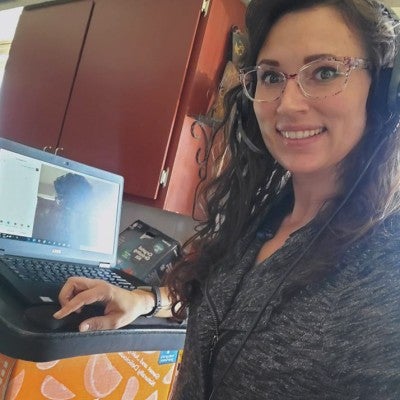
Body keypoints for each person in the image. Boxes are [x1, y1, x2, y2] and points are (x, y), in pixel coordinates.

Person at [54, 0, 400, 398]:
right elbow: (223, 306)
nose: (287, 104)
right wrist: (142, 300)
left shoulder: (387, 265)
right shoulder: (262, 219)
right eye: (271, 77)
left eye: (324, 72)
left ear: (387, 92)